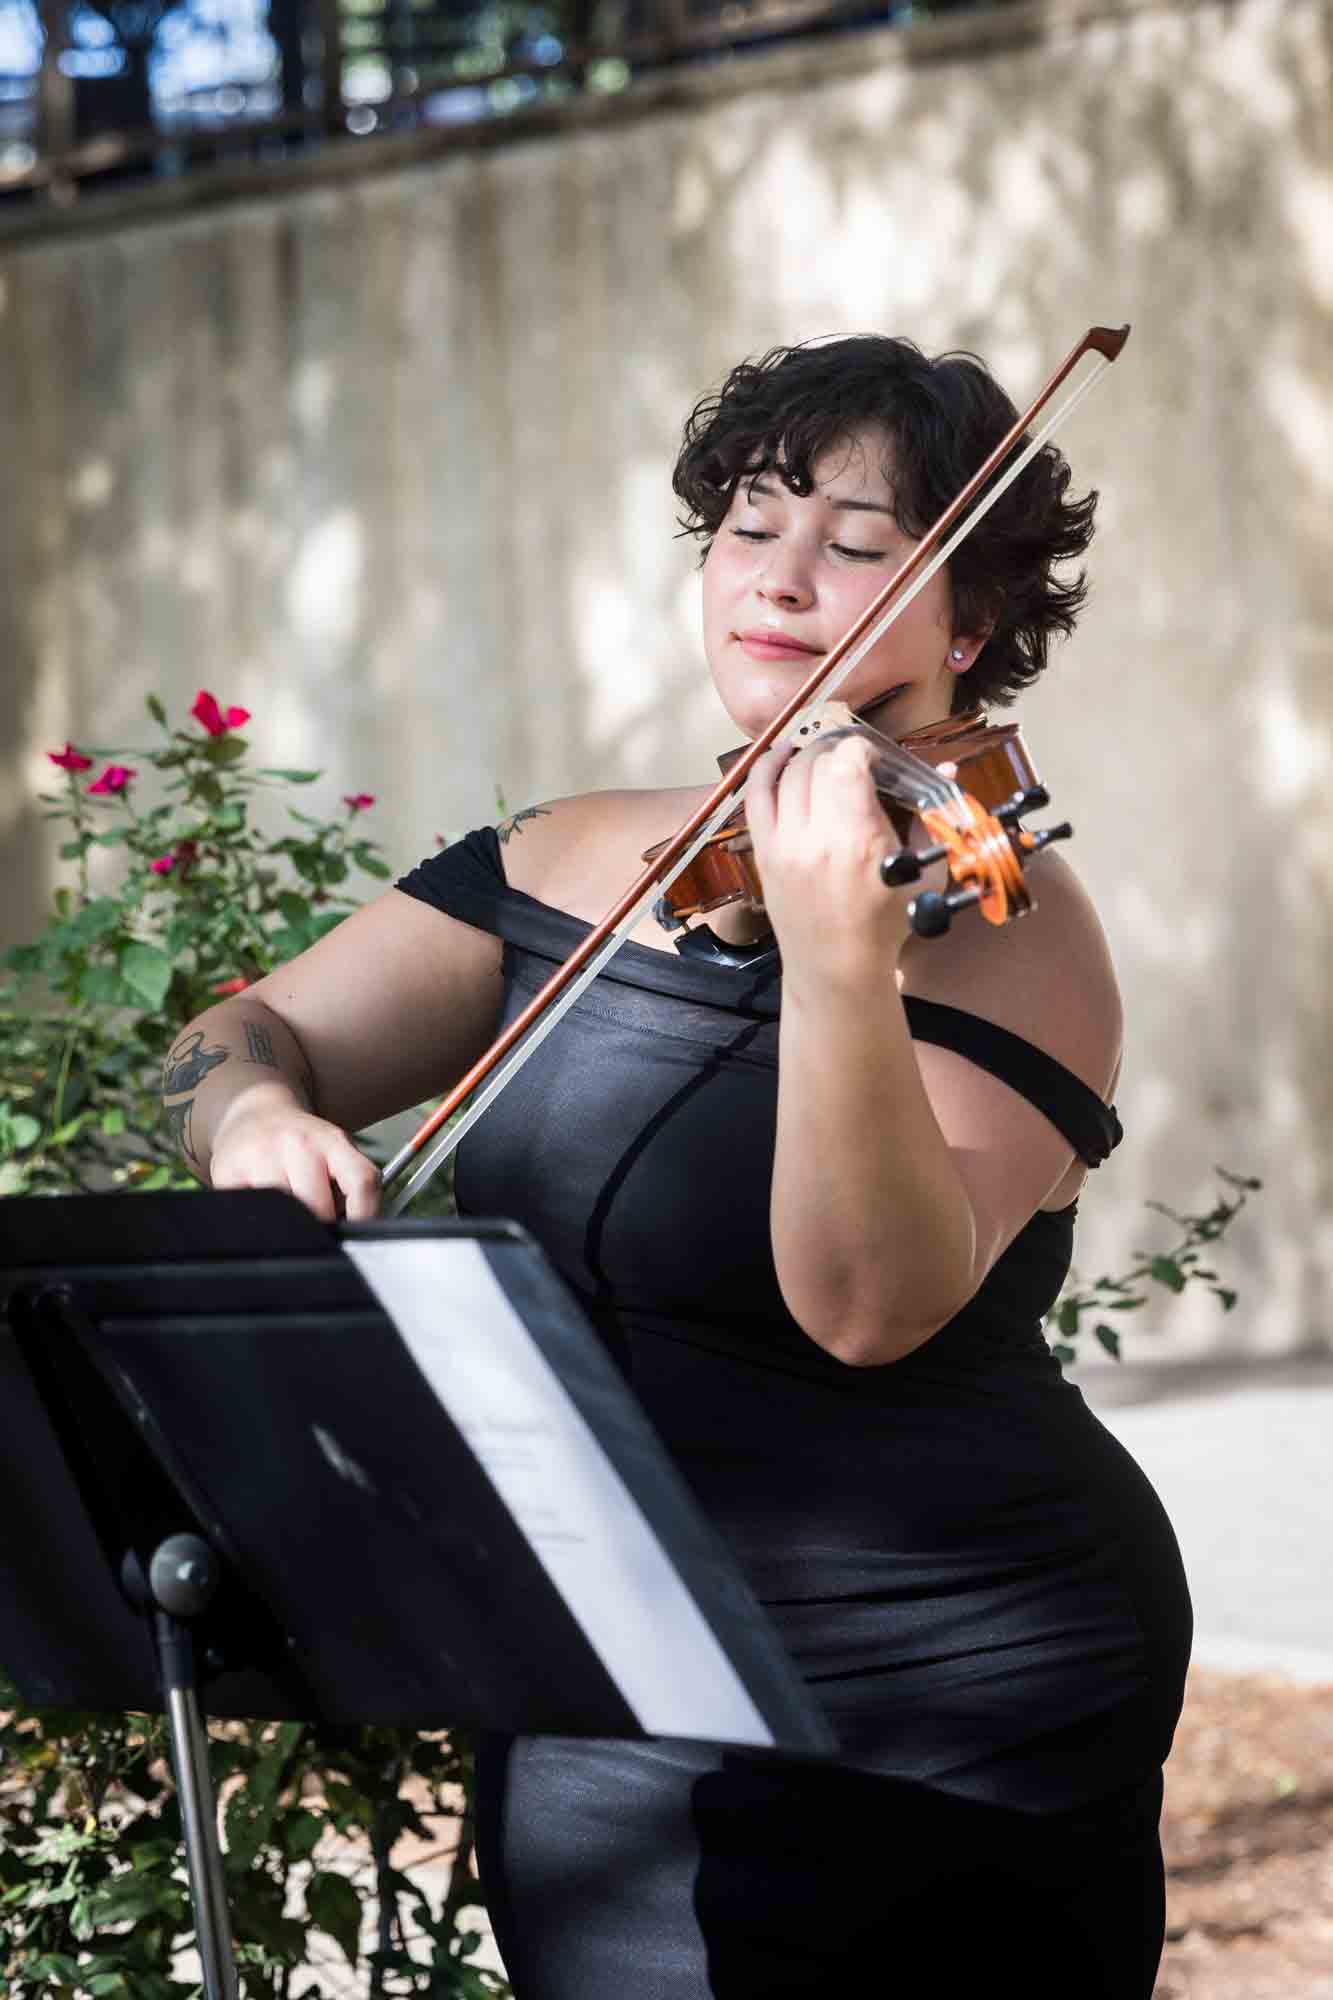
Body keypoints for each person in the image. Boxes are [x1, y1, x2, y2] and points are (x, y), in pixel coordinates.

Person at [164, 335, 1191, 1998]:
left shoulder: (1004, 926)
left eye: (859, 545)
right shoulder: (569, 853)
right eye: (750, 523)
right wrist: (258, 1121)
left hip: (945, 1700)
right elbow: (239, 1033)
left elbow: (867, 1305)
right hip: (612, 1682)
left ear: (969, 626)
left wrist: (840, 968)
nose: (781, 579)